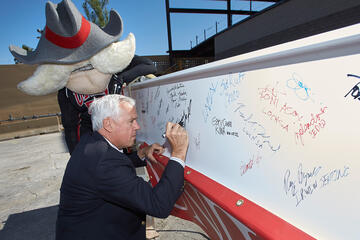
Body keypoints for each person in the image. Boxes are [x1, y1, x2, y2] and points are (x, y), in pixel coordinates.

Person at [56, 94, 189, 240]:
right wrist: (178, 153)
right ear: (108, 124)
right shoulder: (104, 162)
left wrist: (141, 154)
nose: (137, 126)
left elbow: (112, 170)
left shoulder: (92, 141)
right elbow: (158, 204)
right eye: (131, 121)